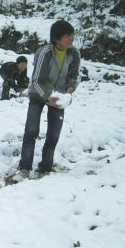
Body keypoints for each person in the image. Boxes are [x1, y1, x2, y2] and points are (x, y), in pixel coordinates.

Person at [11, 20, 80, 182]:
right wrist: (49, 97)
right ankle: (24, 168)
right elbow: (37, 80)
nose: (71, 39)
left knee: (54, 134)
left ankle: (46, 166)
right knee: (31, 130)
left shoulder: (74, 53)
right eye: (67, 36)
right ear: (57, 38)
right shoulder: (45, 53)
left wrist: (68, 94)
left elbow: (73, 76)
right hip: (38, 95)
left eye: (72, 35)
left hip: (59, 96)